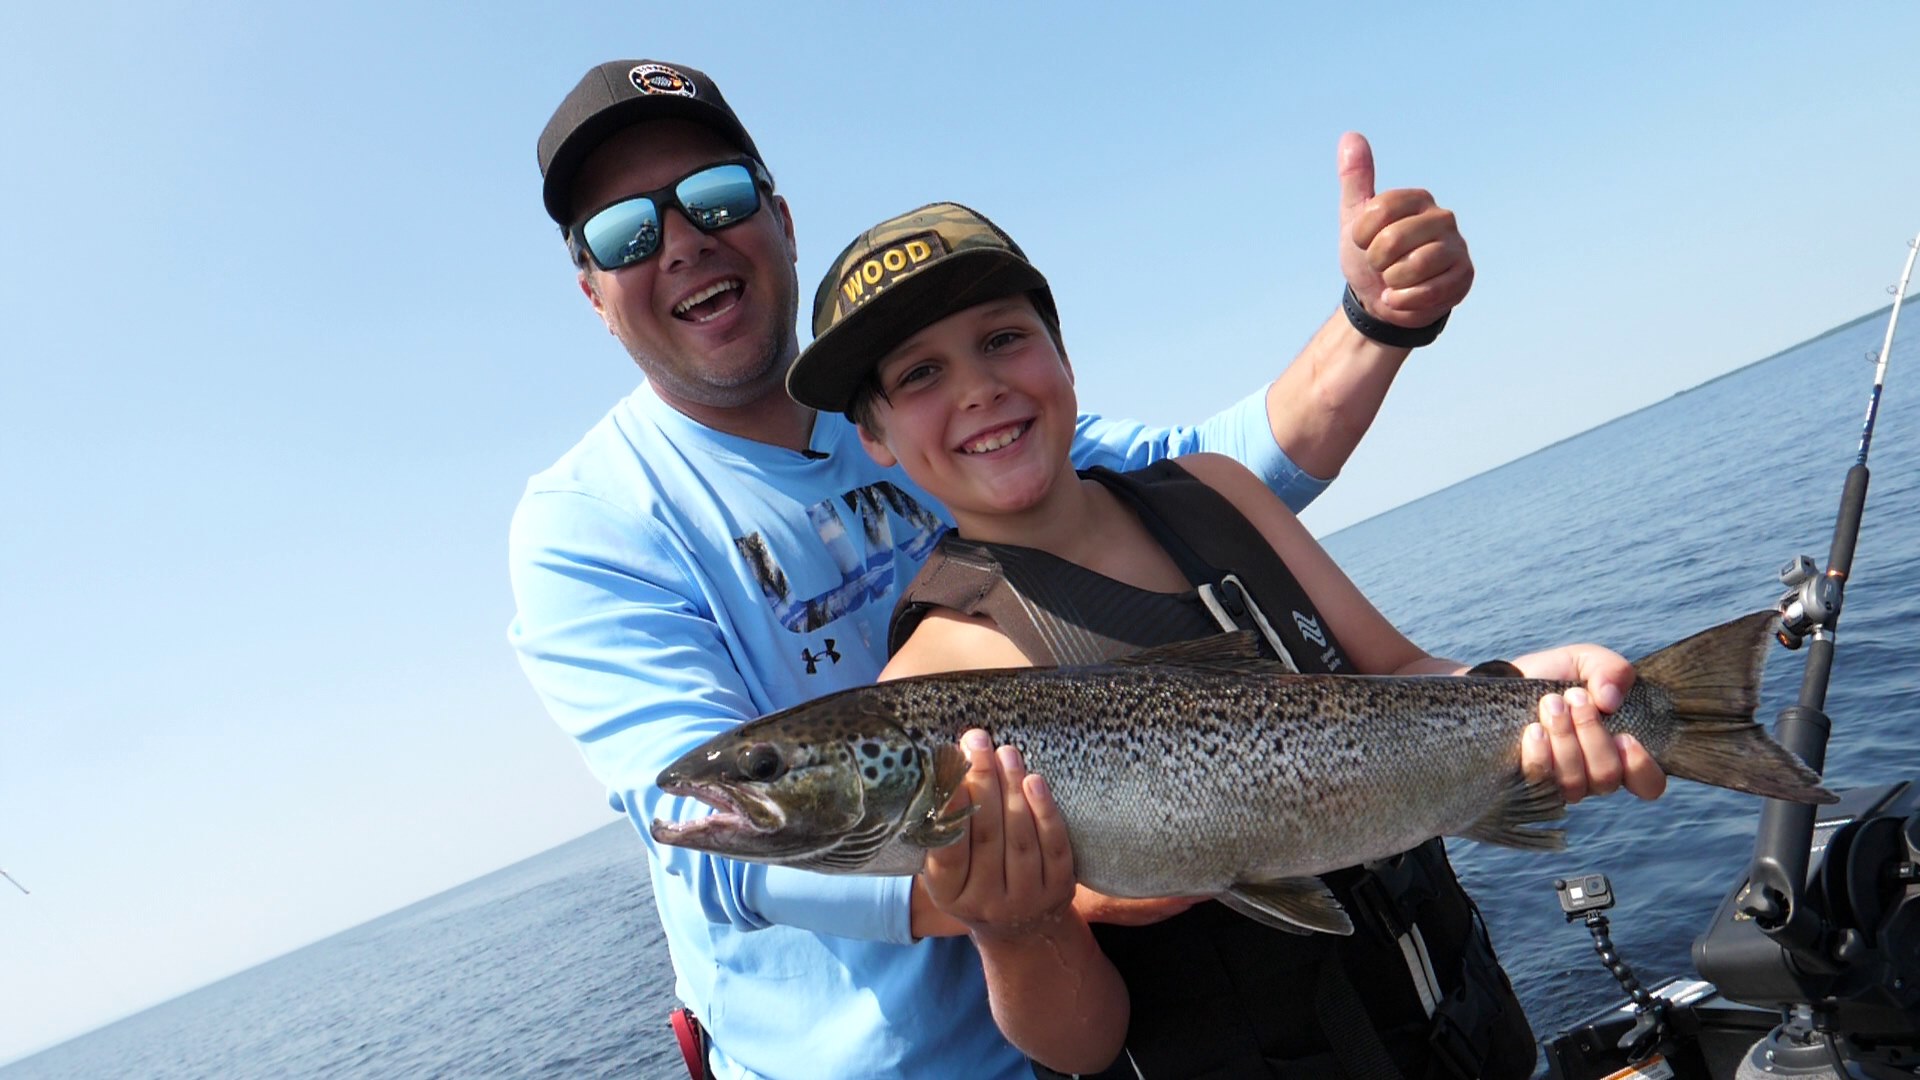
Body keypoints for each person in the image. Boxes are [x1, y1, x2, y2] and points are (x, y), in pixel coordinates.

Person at [509, 59, 1482, 1079]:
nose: (683, 242)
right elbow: (694, 836)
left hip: (1114, 1025)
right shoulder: (589, 525)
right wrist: (1043, 881)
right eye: (628, 232)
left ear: (781, 219)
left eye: (716, 197)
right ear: (592, 291)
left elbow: (1219, 476)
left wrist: (1376, 318)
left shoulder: (944, 420)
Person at [782, 201, 1666, 1077]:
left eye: (1003, 338)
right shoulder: (940, 674)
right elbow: (1082, 1046)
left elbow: (1399, 673)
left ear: (1064, 355)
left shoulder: (1217, 492)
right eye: (920, 375)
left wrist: (1524, 692)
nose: (977, 389)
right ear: (875, 437)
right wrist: (1018, 929)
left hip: (1479, 1044)